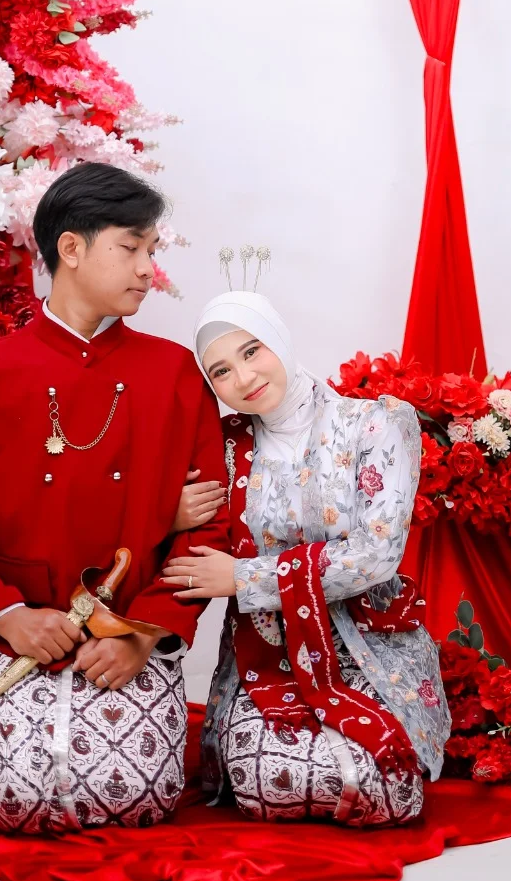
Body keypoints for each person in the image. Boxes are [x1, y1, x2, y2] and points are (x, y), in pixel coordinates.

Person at [0, 164, 230, 833]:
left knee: (133, 797)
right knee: (16, 797)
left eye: (151, 251)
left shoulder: (175, 376)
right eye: (130, 248)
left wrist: (143, 632)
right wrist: (9, 617)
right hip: (19, 639)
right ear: (71, 248)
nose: (147, 269)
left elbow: (206, 530)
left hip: (131, 642)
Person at [161, 291, 451, 826]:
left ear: (279, 338)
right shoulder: (224, 446)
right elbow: (161, 523)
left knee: (380, 785)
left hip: (365, 645)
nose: (244, 378)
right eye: (221, 371)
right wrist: (169, 515)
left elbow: (375, 555)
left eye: (252, 351)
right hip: (266, 656)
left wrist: (242, 578)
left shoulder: (376, 424)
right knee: (265, 783)